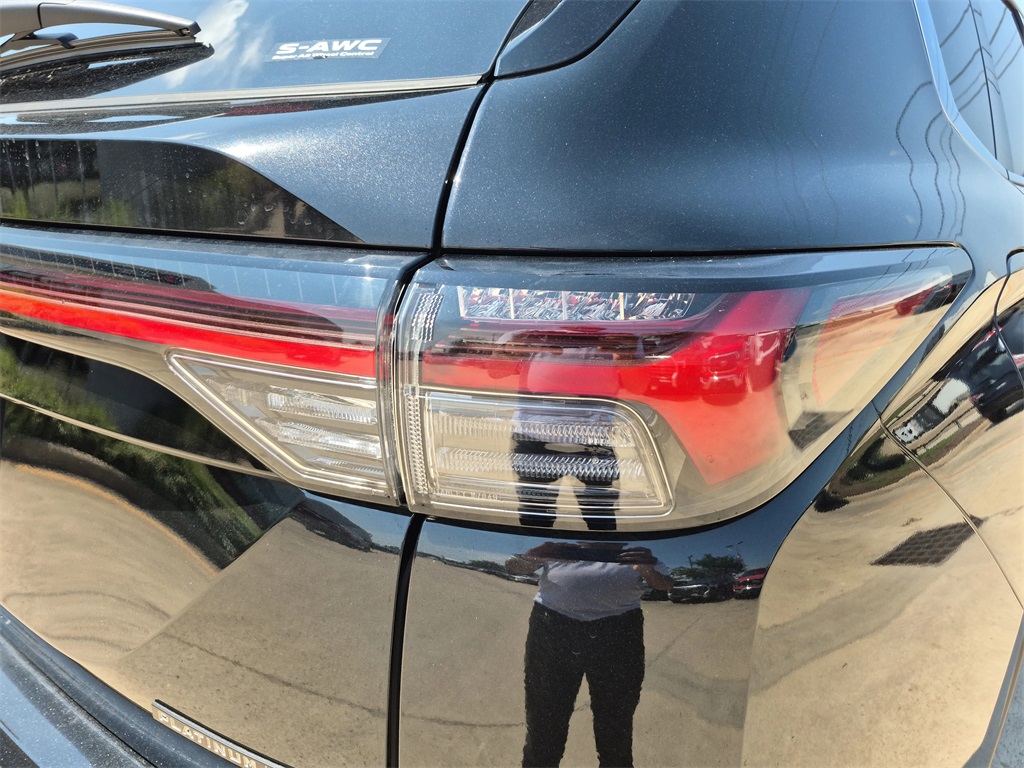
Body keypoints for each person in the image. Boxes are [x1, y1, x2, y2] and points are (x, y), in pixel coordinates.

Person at [506, 542, 674, 767]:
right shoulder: (560, 546)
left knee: (616, 723)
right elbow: (513, 566)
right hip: (553, 626)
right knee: (544, 719)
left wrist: (646, 569)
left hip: (619, 631)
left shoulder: (635, 552)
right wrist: (533, 557)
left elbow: (666, 584)